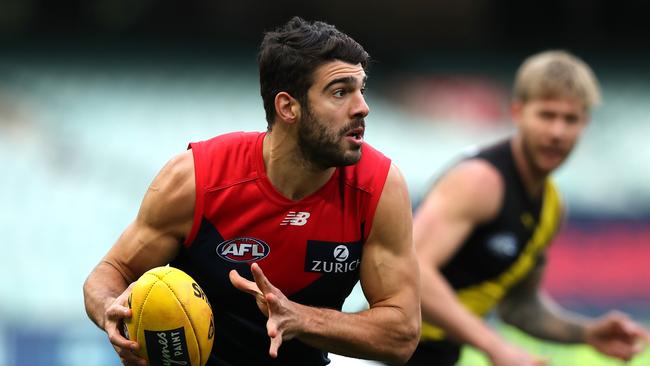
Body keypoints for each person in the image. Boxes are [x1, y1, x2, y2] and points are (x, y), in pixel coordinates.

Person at [83, 16, 420, 366]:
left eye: (361, 89)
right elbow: (110, 272)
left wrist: (300, 318)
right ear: (288, 107)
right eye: (340, 92)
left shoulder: (378, 187)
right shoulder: (197, 177)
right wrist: (112, 309)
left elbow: (402, 335)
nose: (362, 107)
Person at [409, 50, 650, 366]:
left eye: (570, 119)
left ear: (585, 124)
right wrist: (496, 347)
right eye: (547, 115)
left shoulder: (551, 206)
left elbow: (519, 307)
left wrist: (587, 333)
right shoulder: (480, 181)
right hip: (389, 353)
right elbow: (412, 271)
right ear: (518, 112)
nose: (557, 133)